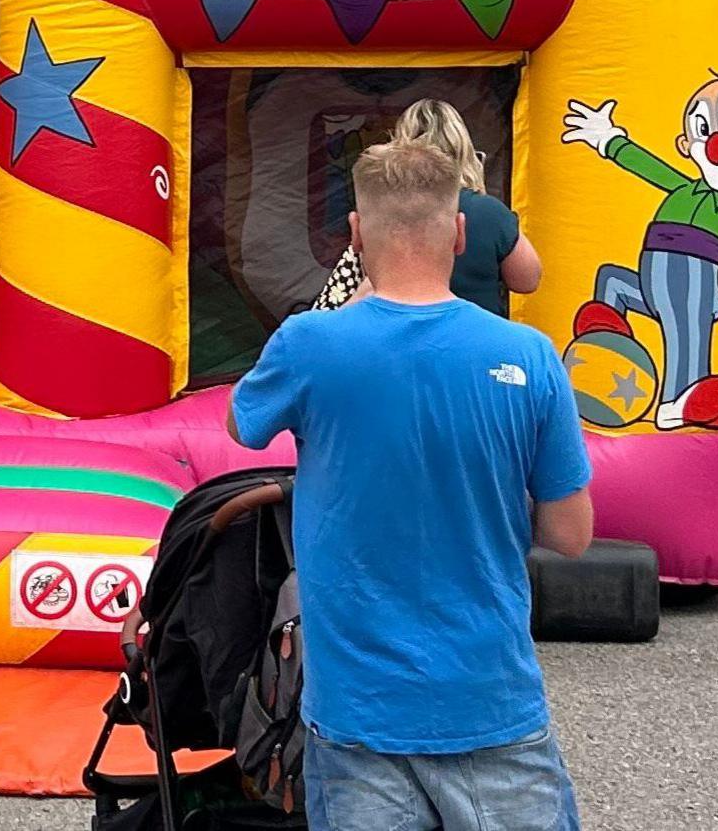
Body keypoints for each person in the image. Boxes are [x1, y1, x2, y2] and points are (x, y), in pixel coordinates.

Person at [231, 137, 595, 831]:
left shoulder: (309, 345)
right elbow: (570, 536)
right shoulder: (529, 356)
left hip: (355, 713)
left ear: (357, 233)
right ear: (460, 232)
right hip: (492, 703)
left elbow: (241, 421)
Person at [309, 101, 543, 317]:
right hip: (477, 340)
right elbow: (527, 280)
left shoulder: (386, 207)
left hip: (398, 337)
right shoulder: (489, 212)